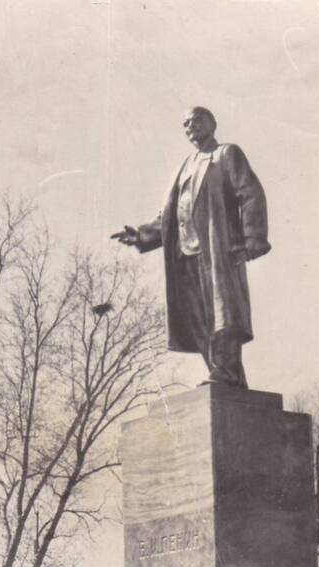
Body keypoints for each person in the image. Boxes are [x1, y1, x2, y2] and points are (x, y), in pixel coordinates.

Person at [112, 106, 270, 387]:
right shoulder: (183, 168)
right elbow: (168, 215)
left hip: (218, 250)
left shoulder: (226, 154)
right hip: (186, 256)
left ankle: (226, 371)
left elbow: (250, 192)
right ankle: (226, 374)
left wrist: (253, 238)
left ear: (212, 123)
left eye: (196, 120)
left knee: (223, 313)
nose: (190, 126)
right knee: (198, 318)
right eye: (185, 124)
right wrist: (141, 235)